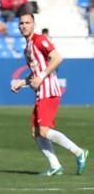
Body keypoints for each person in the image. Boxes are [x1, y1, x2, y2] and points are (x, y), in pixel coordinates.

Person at [10, 12, 88, 176]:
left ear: (33, 24)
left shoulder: (40, 40)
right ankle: (55, 166)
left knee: (44, 131)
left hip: (49, 90)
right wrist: (22, 83)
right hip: (40, 92)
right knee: (35, 132)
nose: (24, 26)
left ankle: (79, 152)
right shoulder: (27, 47)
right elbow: (35, 73)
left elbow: (57, 58)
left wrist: (41, 76)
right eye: (21, 23)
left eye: (27, 23)